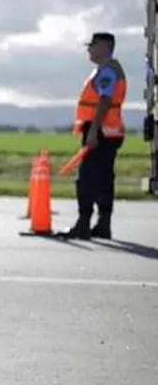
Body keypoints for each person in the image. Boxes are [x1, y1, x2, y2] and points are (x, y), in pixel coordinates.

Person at [62, 31, 126, 239]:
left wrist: (92, 132)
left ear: (104, 47)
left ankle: (83, 223)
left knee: (86, 179)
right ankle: (103, 224)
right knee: (104, 179)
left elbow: (104, 101)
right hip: (110, 131)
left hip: (100, 132)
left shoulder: (107, 72)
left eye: (93, 45)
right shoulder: (109, 70)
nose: (89, 50)